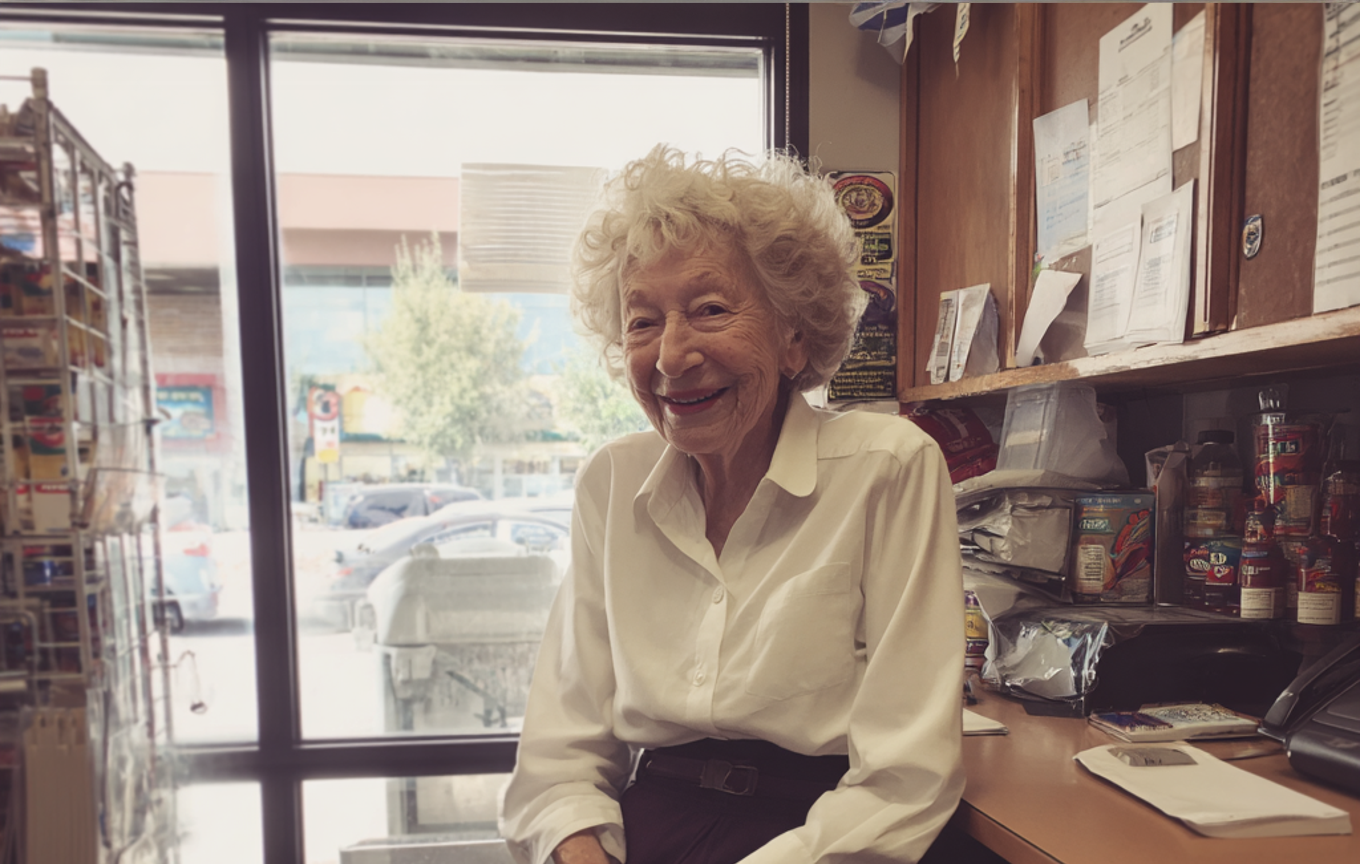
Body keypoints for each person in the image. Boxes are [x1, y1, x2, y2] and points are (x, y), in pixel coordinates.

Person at [500, 145, 965, 864]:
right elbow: (559, 758)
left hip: (819, 833)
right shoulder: (611, 484)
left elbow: (906, 779)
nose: (671, 355)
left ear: (793, 337)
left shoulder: (889, 468)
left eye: (710, 310)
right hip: (648, 826)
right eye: (643, 321)